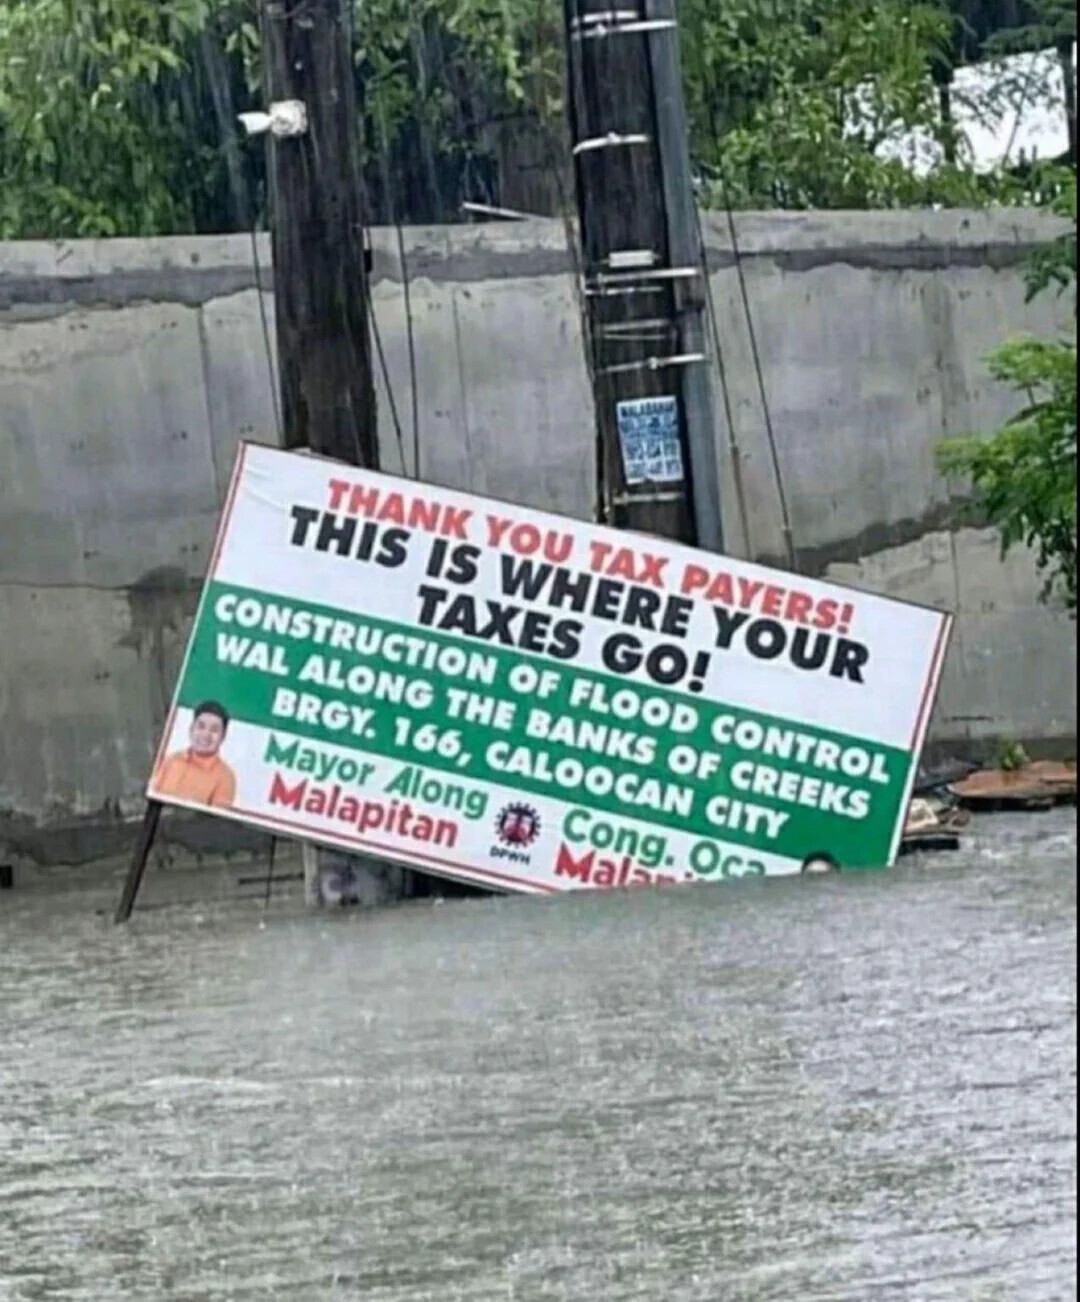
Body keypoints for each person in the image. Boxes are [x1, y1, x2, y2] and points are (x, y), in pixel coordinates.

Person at [152, 701, 237, 809]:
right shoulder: (171, 760)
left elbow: (216, 822)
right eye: (201, 727)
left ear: (223, 737)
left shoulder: (225, 777)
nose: (206, 735)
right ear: (191, 729)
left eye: (214, 730)